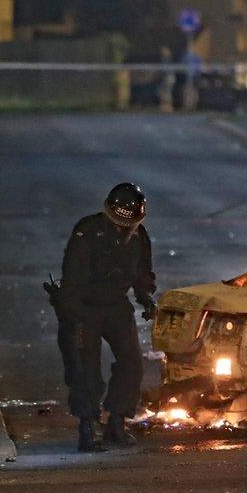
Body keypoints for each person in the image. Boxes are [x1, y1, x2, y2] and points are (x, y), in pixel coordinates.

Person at [57, 183, 157, 451]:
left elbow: (142, 273)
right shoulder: (86, 232)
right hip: (84, 306)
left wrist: (146, 298)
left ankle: (116, 423)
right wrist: (73, 316)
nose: (125, 230)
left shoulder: (139, 236)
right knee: (85, 370)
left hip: (115, 305)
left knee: (132, 363)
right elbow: (72, 277)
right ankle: (87, 428)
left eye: (130, 224)